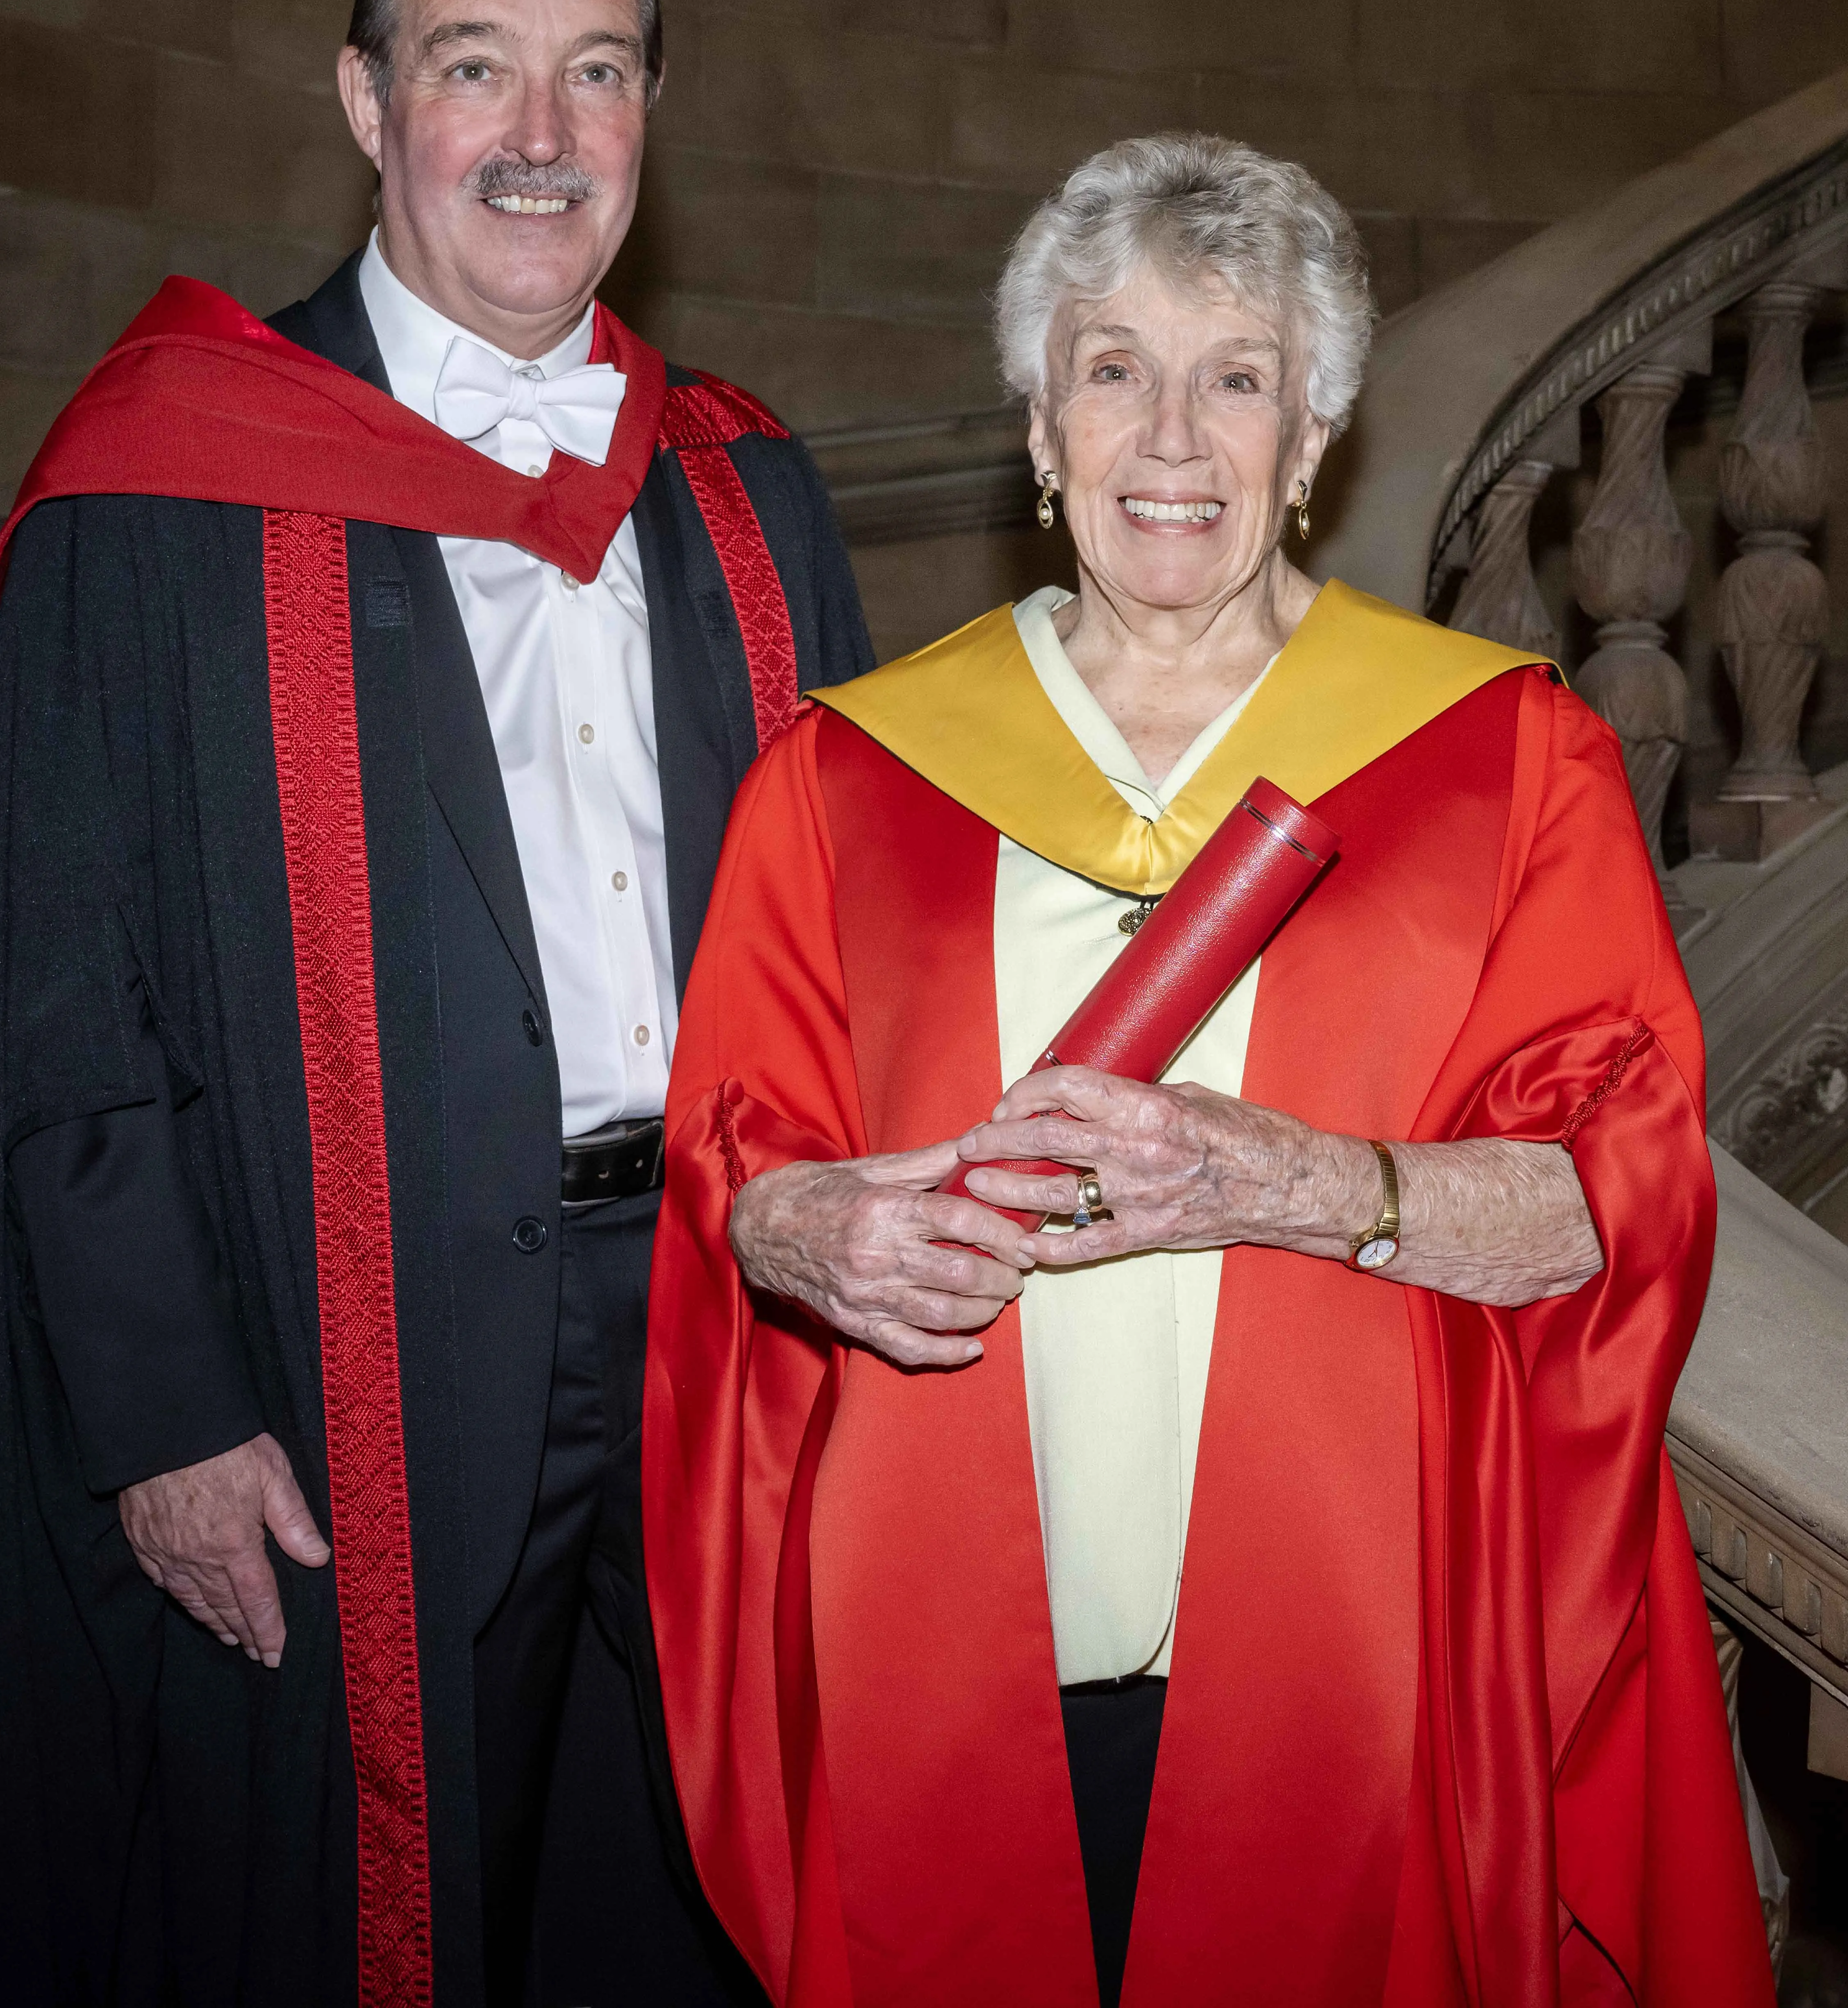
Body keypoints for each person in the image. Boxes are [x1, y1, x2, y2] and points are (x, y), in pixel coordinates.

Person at [0, 0, 867, 2006]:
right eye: (473, 66)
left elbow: (854, 934)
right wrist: (160, 1414)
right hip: (340, 1364)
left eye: (594, 75)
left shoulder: (742, 489)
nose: (536, 136)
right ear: (361, 99)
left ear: (648, 121)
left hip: (721, 1322)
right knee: (345, 1926)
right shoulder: (165, 488)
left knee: (715, 1904)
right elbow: (61, 1008)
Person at [641, 134, 1774, 2007]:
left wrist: (1299, 1179)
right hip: (935, 1628)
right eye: (1113, 369)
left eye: (1236, 374)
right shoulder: (843, 782)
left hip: (1350, 1643)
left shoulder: (1504, 765)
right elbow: (731, 1170)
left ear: (1313, 433)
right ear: (1037, 424)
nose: (1172, 434)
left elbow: (1612, 1198)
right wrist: (807, 1223)